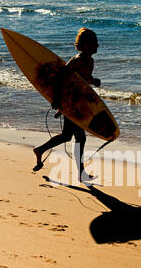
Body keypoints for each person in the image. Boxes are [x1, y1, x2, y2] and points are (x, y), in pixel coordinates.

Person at [33, 27, 101, 182]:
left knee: (68, 136)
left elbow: (82, 79)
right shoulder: (77, 60)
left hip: (76, 103)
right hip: (71, 103)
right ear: (84, 45)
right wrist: (57, 100)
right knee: (79, 137)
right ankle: (81, 173)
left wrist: (93, 81)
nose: (98, 45)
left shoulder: (89, 60)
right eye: (94, 42)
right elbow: (60, 78)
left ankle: (40, 150)